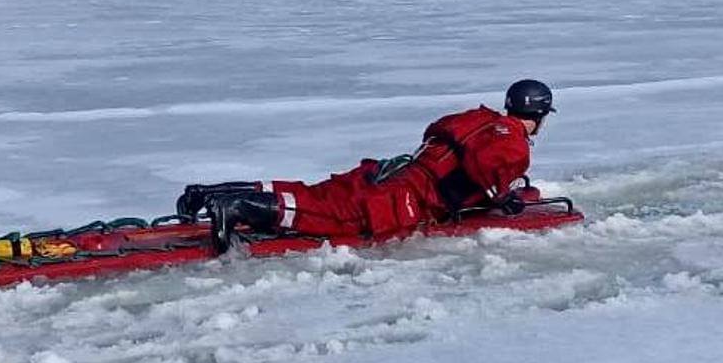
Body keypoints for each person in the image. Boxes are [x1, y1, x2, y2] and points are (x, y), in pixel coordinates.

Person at [177, 79, 555, 254]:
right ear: (537, 114)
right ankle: (234, 207)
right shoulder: (514, 145)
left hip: (393, 172)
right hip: (406, 198)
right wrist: (500, 197)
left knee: (312, 193)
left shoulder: (479, 118)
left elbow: (438, 131)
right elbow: (480, 168)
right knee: (322, 215)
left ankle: (211, 193)